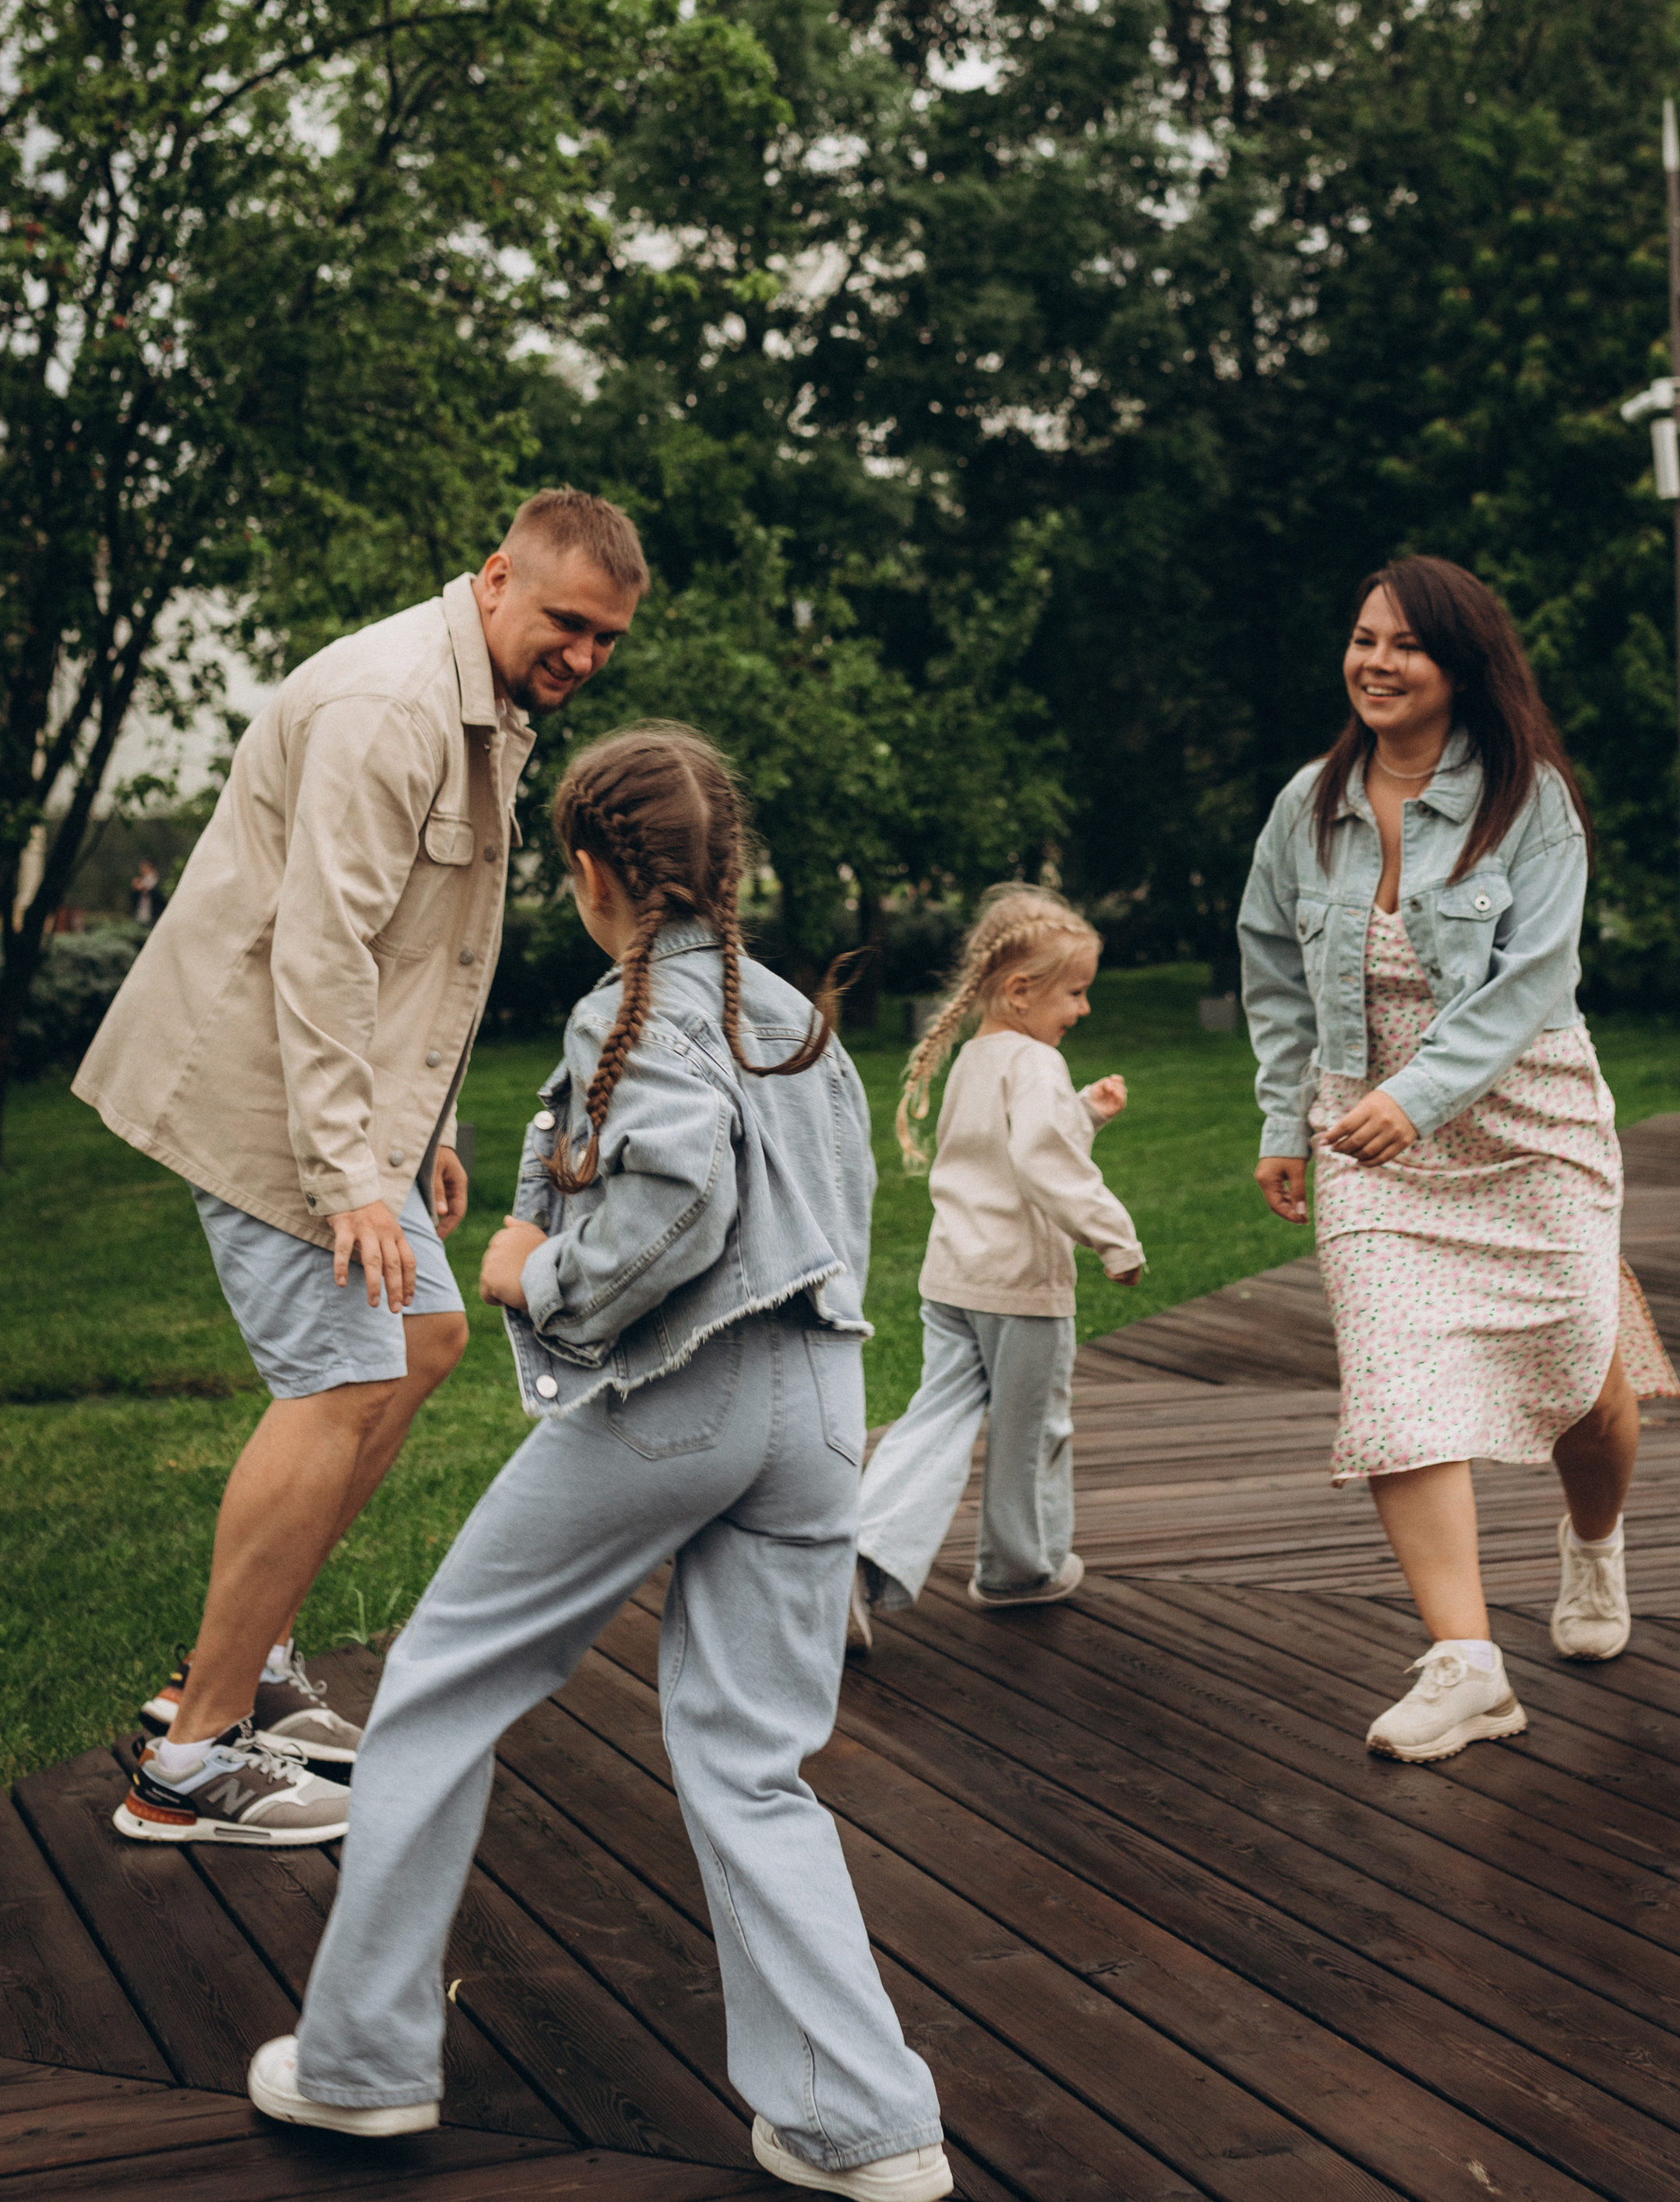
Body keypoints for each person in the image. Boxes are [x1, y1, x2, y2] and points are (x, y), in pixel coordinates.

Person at [245, 723, 952, 2202]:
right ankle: (865, 2126)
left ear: (585, 870)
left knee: (440, 1684)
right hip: (826, 1404)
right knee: (757, 1765)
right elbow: (839, 1210)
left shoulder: (631, 1011)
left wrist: (530, 1276)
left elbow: (677, 1198)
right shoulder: (786, 1015)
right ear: (726, 868)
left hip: (682, 1399)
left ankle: (361, 2067)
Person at [75, 488, 648, 1847]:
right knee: (341, 1375)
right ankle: (190, 1761)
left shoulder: (480, 705)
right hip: (263, 1088)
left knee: (429, 1334)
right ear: (498, 578)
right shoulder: (393, 706)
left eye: (608, 639)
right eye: (567, 623)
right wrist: (350, 1176)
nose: (583, 655)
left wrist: (427, 1129)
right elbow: (322, 952)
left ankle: (245, 1668)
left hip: (343, 1097)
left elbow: (417, 949)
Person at [1239, 556, 1680, 1766]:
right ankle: (1467, 1662)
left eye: (1406, 647)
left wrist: (1419, 1094)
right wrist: (1290, 1119)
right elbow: (1272, 969)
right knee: (1395, 1374)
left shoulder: (1529, 800)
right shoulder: (1308, 804)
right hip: (1366, 1131)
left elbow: (1534, 978)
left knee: (1582, 1379)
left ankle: (1592, 1541)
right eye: (1362, 637)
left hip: (1526, 1118)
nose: (1374, 663)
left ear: (1462, 667)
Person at [847, 888, 1144, 1653]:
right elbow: (1045, 1163)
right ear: (1020, 991)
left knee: (933, 1418)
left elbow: (1011, 1145)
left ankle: (855, 1560)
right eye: (1074, 993)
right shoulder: (1035, 1060)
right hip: (1020, 1289)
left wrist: (1085, 1110)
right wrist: (1114, 1237)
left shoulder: (978, 1058)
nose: (1080, 1011)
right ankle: (1021, 1570)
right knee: (1031, 1429)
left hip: (953, 1279)